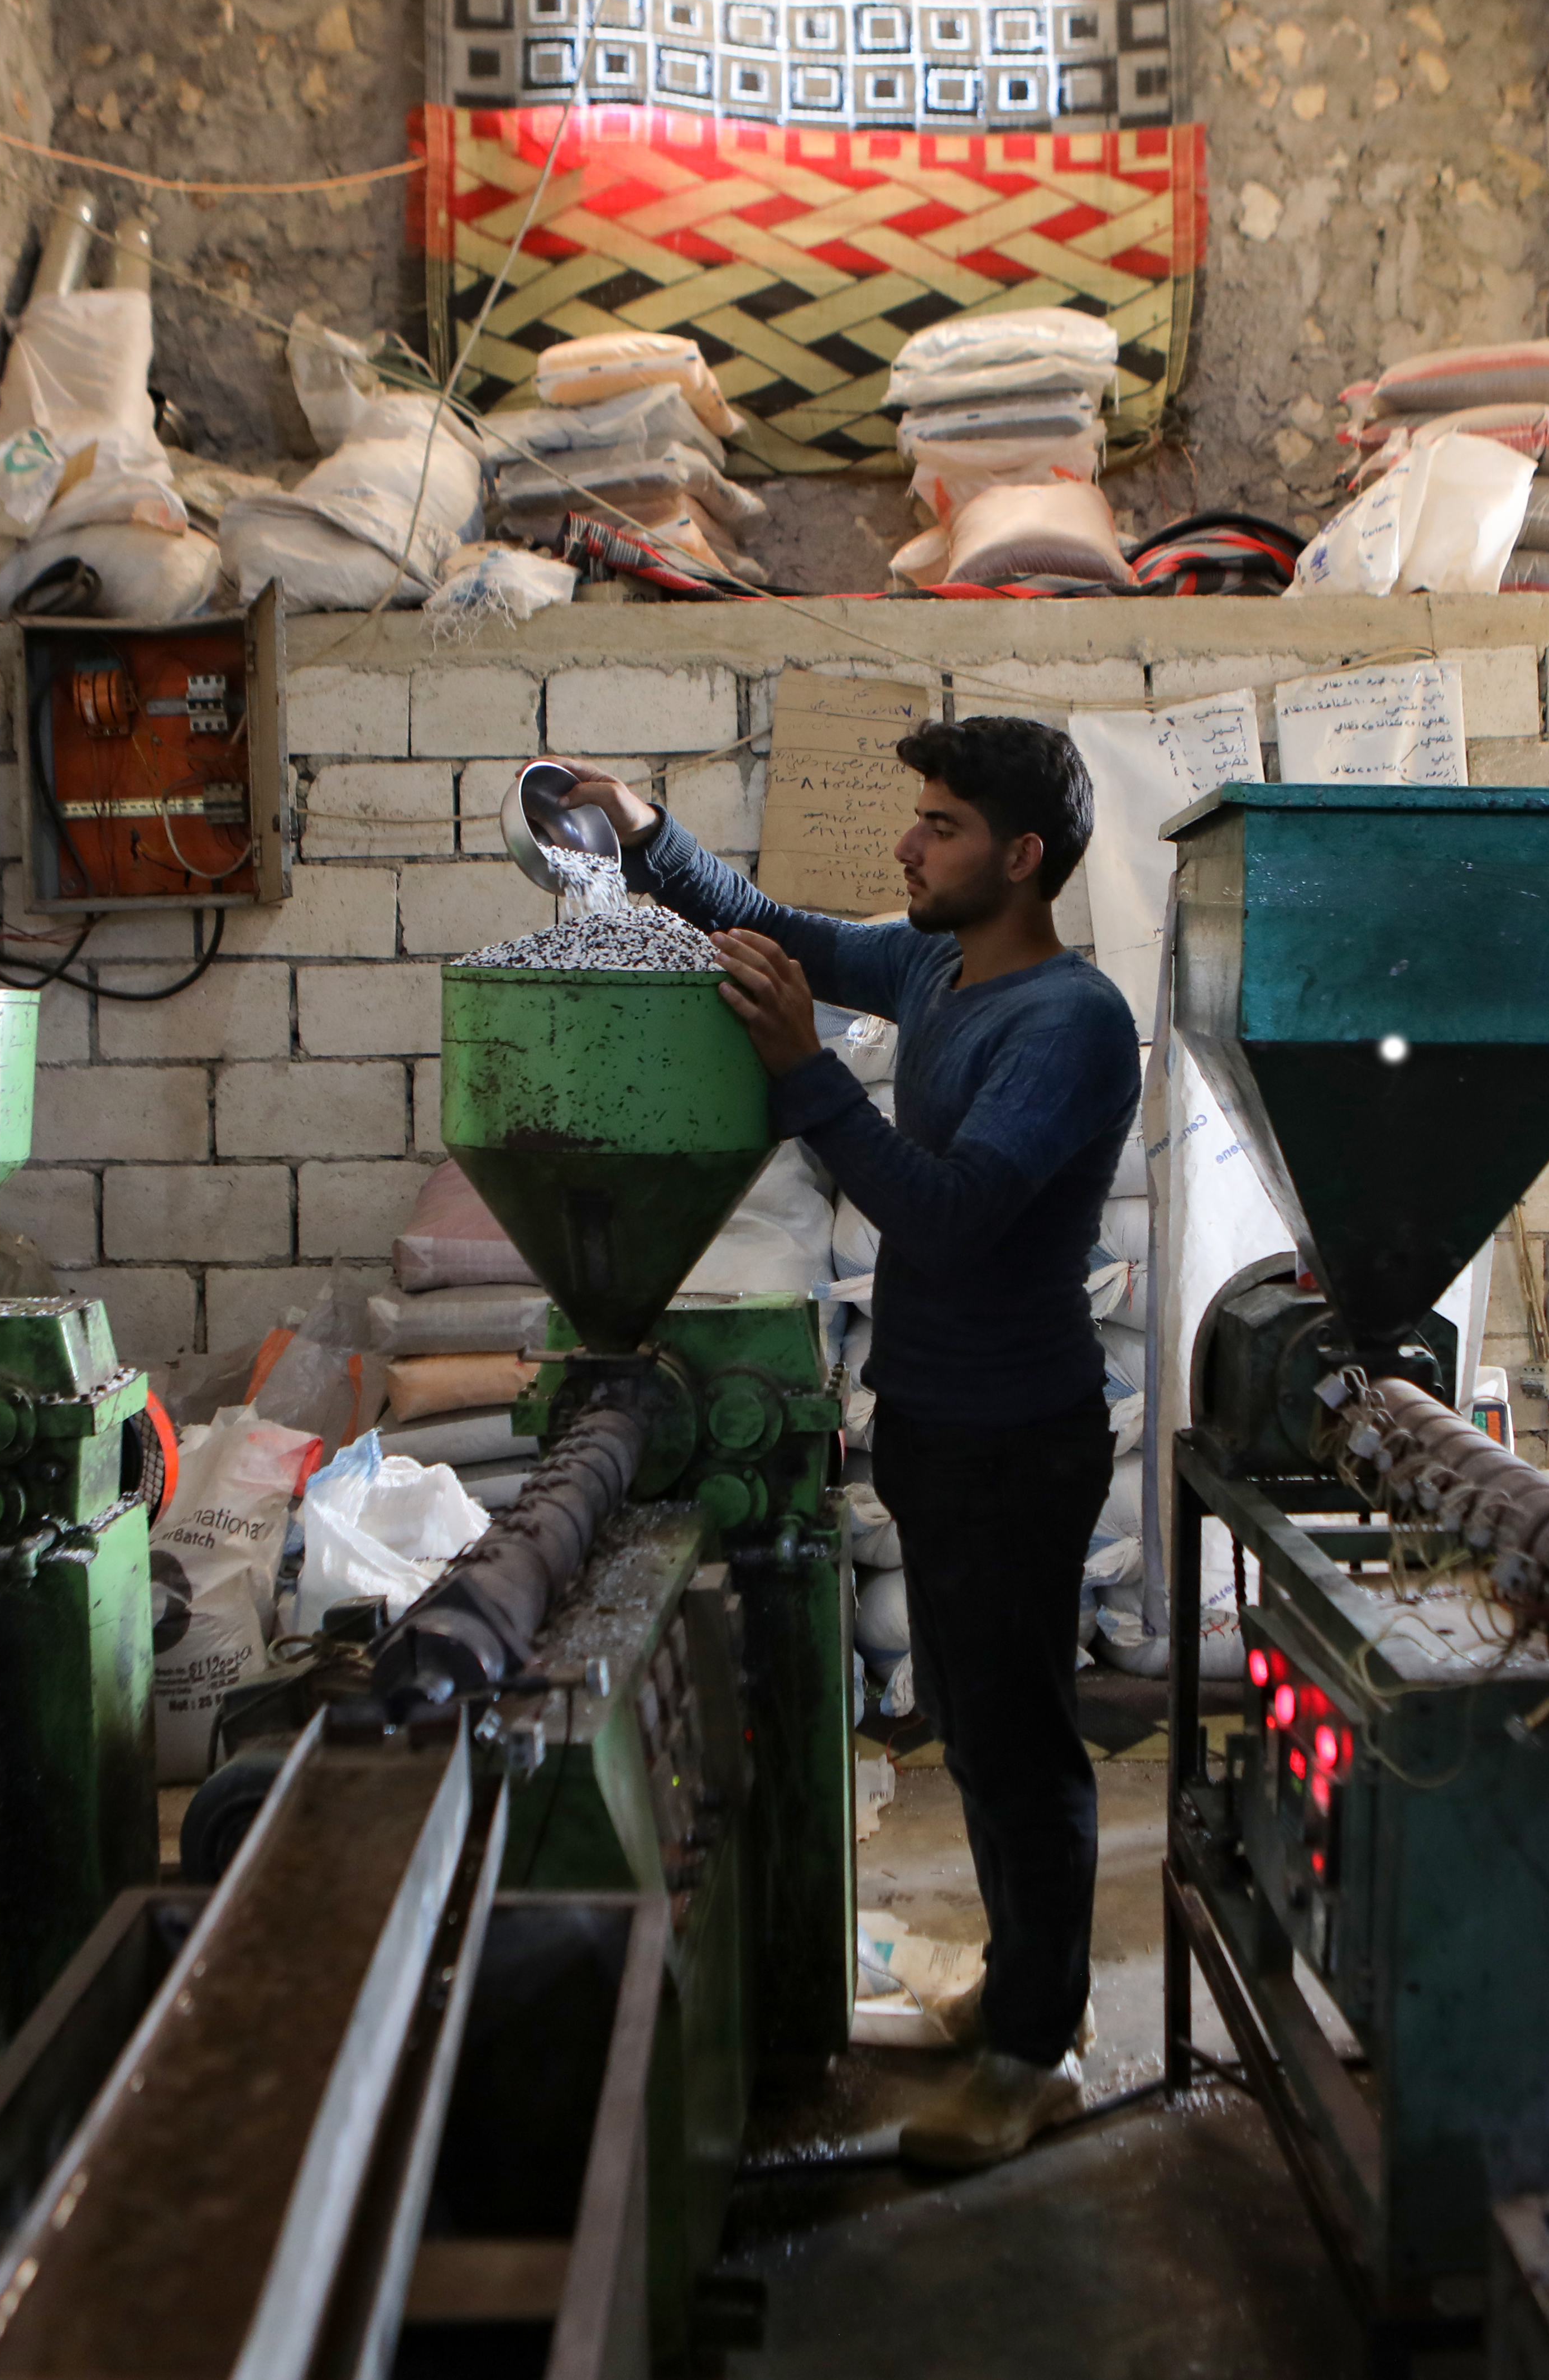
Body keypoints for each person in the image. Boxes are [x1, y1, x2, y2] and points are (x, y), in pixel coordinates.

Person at [558, 716, 1139, 2171]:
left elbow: (944, 1211)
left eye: (939, 826)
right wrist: (644, 830)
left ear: (1019, 858)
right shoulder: (939, 965)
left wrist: (809, 1074)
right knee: (968, 1717)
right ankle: (1016, 1996)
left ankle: (1037, 2053)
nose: (907, 843)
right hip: (942, 1420)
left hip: (1021, 1432)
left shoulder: (1070, 1023)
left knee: (1018, 1745)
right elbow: (774, 928)